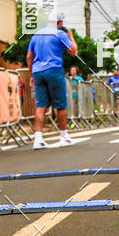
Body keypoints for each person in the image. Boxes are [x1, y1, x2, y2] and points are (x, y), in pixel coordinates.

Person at [26, 11, 78, 149]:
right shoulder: (59, 34)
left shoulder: (36, 35)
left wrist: (31, 74)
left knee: (41, 105)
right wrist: (71, 36)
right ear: (59, 23)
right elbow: (73, 51)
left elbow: (29, 57)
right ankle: (64, 136)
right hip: (54, 70)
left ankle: (38, 139)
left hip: (38, 71)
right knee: (60, 104)